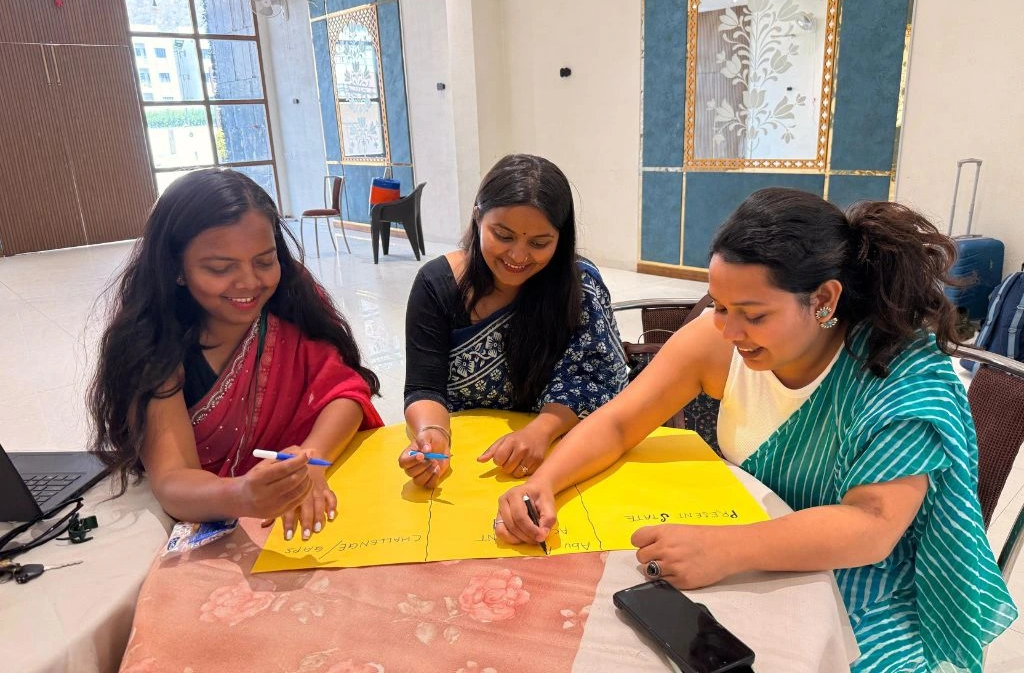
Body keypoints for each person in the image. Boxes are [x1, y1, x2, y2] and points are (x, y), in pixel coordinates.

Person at [495, 187, 1016, 672]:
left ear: (824, 300)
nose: (728, 329)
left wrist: (726, 549)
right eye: (719, 306)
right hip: (750, 547)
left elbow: (872, 525)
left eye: (752, 314)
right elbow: (618, 421)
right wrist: (545, 483)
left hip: (864, 589)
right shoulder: (720, 341)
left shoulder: (899, 377)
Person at [89, 168, 383, 541]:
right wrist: (243, 493)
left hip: (311, 498)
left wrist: (309, 459)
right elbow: (173, 480)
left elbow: (345, 390)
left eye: (264, 261)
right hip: (213, 516)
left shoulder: (291, 298)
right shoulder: (153, 341)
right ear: (176, 268)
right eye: (220, 268)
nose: (249, 283)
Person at [400, 154, 629, 488]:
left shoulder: (579, 285)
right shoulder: (437, 285)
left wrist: (542, 429)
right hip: (470, 459)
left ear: (561, 238)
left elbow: (594, 379)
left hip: (562, 453)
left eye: (539, 243)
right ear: (478, 218)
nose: (518, 257)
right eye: (503, 236)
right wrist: (431, 434)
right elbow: (424, 386)